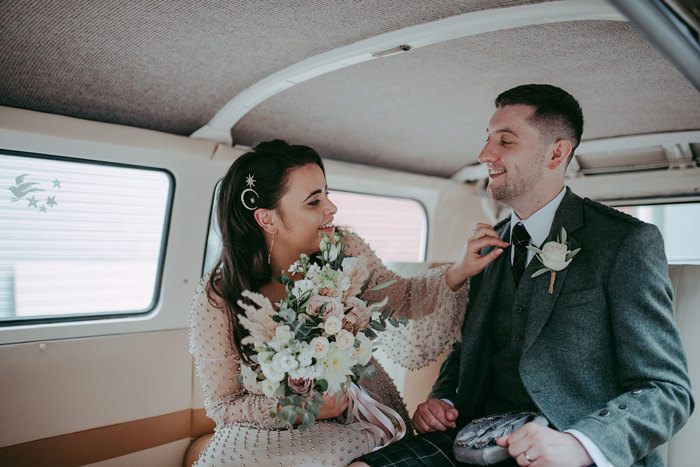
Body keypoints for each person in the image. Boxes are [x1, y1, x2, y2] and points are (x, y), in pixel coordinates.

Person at [351, 84, 693, 467]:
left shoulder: (624, 243)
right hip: (475, 439)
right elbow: (468, 347)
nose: (485, 154)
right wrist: (443, 399)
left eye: (505, 141)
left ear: (556, 153)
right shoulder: (488, 244)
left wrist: (581, 444)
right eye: (487, 140)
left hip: (567, 447)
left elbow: (667, 390)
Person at [188, 139, 506, 466]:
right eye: (314, 202)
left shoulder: (343, 249)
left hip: (356, 416)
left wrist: (459, 269)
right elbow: (225, 404)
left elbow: (403, 299)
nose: (331, 208)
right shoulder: (218, 299)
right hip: (265, 427)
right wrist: (296, 408)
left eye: (327, 194)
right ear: (268, 220)